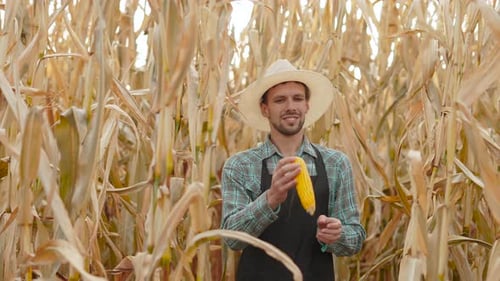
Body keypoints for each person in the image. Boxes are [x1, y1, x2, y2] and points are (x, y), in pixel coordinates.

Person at [220, 59, 366, 281]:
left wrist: (338, 235)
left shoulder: (336, 164)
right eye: (280, 100)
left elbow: (355, 240)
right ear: (265, 108)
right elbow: (232, 238)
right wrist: (270, 199)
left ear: (307, 105)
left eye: (297, 98)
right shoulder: (240, 166)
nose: (291, 107)